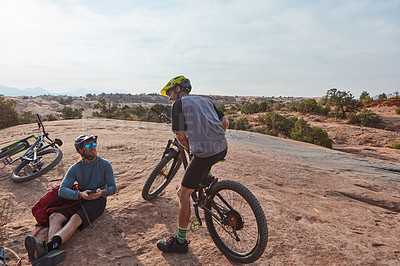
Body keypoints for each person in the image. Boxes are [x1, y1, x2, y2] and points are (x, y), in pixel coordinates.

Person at [156, 76, 229, 254]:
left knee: (183, 194)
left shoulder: (178, 105)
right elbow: (225, 123)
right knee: (204, 165)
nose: (169, 97)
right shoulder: (206, 101)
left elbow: (180, 137)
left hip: (204, 153)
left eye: (170, 92)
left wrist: (192, 147)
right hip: (222, 147)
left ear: (179, 89)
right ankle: (208, 178)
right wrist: (212, 137)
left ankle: (180, 242)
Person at [24, 134, 117, 265]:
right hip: (80, 197)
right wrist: (80, 194)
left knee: (75, 219)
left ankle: (47, 249)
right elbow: (63, 190)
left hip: (98, 201)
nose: (93, 148)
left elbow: (113, 187)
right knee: (54, 217)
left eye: (94, 144)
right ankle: (50, 253)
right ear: (80, 150)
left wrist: (102, 192)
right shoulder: (75, 168)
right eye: (89, 145)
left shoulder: (105, 165)